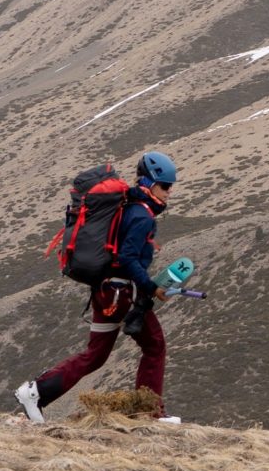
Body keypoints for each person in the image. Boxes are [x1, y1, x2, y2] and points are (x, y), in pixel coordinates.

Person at [16, 151, 177, 423]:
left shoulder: (127, 206)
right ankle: (148, 412)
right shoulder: (143, 216)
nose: (169, 193)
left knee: (96, 355)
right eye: (166, 186)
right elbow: (127, 258)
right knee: (155, 347)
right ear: (150, 184)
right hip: (122, 294)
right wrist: (150, 287)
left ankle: (35, 392)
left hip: (104, 292)